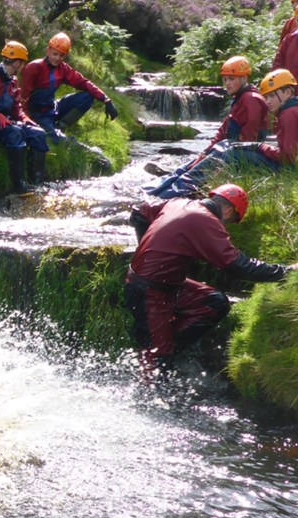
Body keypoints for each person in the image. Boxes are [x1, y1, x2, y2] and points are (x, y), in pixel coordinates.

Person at [125, 183, 296, 373]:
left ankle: (165, 347)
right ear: (229, 209)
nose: (227, 225)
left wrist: (145, 249)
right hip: (149, 292)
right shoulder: (207, 221)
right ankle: (156, 365)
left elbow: (139, 214)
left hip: (163, 284)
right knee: (158, 363)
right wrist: (286, 272)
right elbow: (237, 265)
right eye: (232, 220)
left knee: (215, 302)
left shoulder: (178, 202)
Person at [143, 69, 298, 199]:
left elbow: (288, 157)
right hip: (287, 165)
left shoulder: (288, 115)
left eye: (272, 95)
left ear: (288, 91)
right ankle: (178, 182)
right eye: (267, 96)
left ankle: (177, 189)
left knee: (231, 154)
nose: (268, 101)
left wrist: (261, 147)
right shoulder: (290, 110)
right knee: (225, 146)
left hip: (286, 169)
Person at [143, 56, 268, 179]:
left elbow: (249, 137)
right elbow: (223, 131)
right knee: (191, 166)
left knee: (191, 175)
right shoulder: (240, 99)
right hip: (230, 150)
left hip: (242, 155)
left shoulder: (251, 99)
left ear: (244, 78)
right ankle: (175, 176)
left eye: (231, 79)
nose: (227, 83)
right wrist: (206, 152)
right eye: (224, 80)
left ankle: (175, 183)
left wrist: (222, 165)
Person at [0, 41, 49, 192]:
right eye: (22, 64)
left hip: (6, 122)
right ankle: (20, 187)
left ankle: (37, 185)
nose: (22, 67)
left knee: (38, 134)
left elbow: (16, 108)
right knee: (15, 132)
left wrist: (24, 119)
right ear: (17, 63)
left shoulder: (12, 80)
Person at [20, 32, 119, 145]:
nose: (57, 58)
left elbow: (84, 82)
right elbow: (23, 96)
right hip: (37, 114)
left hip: (53, 108)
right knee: (55, 140)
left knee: (87, 97)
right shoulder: (34, 67)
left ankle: (60, 126)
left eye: (61, 56)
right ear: (48, 51)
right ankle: (59, 135)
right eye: (55, 54)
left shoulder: (63, 69)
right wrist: (25, 119)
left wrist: (106, 100)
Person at [272, 0, 298, 76]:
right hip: (290, 84)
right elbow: (278, 61)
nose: (294, 5)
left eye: (296, 2)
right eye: (293, 3)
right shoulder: (289, 38)